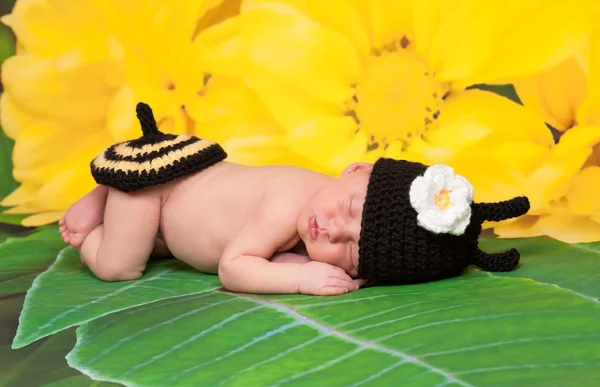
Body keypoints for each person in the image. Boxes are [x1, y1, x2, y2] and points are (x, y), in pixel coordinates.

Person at [59, 103, 531, 296]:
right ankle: (99, 213)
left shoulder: (323, 213)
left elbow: (340, 246)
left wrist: (346, 263)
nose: (330, 229)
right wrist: (301, 279)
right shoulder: (289, 202)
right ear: (356, 170)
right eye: (347, 210)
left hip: (182, 218)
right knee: (120, 265)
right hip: (155, 185)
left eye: (348, 250)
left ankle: (118, 207)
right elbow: (233, 267)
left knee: (171, 239)